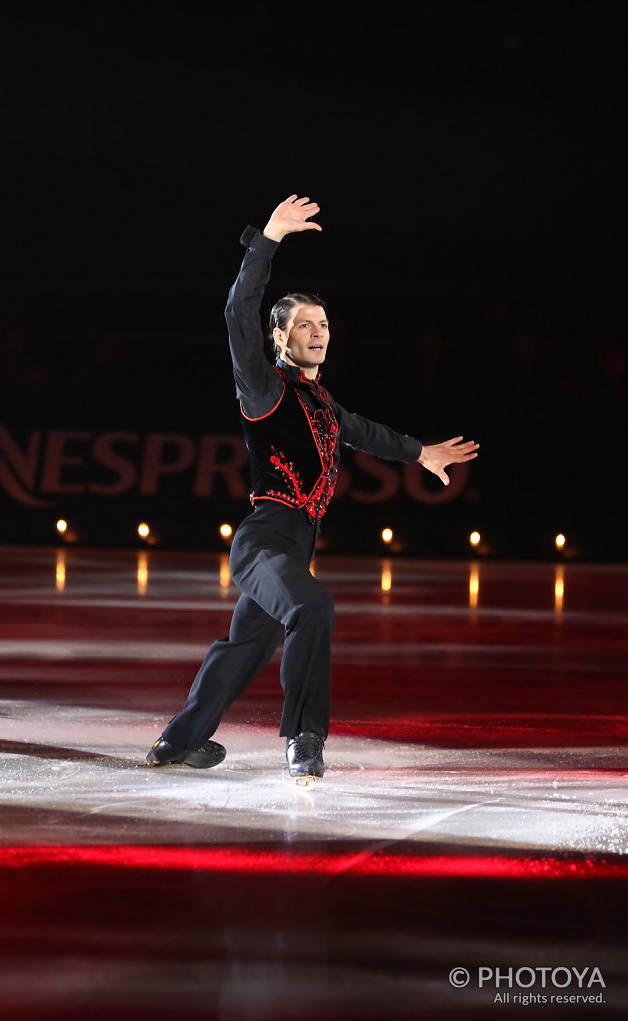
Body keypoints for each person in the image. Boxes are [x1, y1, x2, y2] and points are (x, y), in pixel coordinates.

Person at [143, 195, 479, 778]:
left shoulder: (321, 402)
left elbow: (365, 432)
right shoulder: (265, 389)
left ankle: (177, 744)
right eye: (304, 324)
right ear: (281, 337)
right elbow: (236, 312)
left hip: (295, 544)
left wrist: (422, 452)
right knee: (313, 608)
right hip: (264, 540)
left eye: (323, 324)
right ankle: (305, 738)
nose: (318, 332)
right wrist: (268, 239)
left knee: (244, 650)